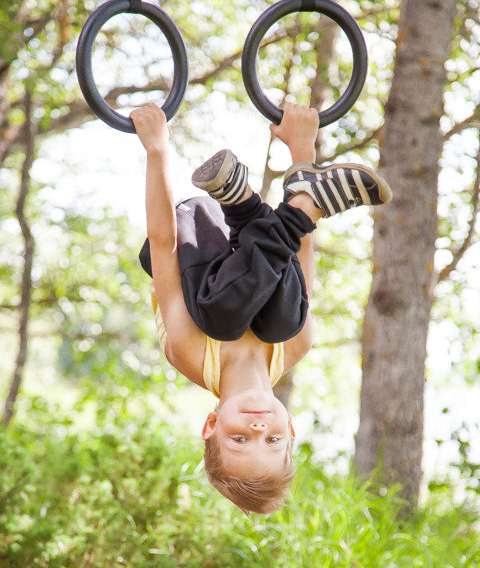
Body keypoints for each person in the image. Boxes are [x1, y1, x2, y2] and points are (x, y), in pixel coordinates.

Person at [130, 102, 392, 515]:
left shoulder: (186, 351)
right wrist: (302, 147)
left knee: (225, 320)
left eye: (239, 439)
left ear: (211, 426)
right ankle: (270, 205)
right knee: (286, 321)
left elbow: (164, 244)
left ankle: (257, 207)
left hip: (196, 237)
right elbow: (301, 255)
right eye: (272, 440)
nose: (258, 428)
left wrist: (157, 149)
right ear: (289, 428)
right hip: (260, 238)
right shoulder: (296, 345)